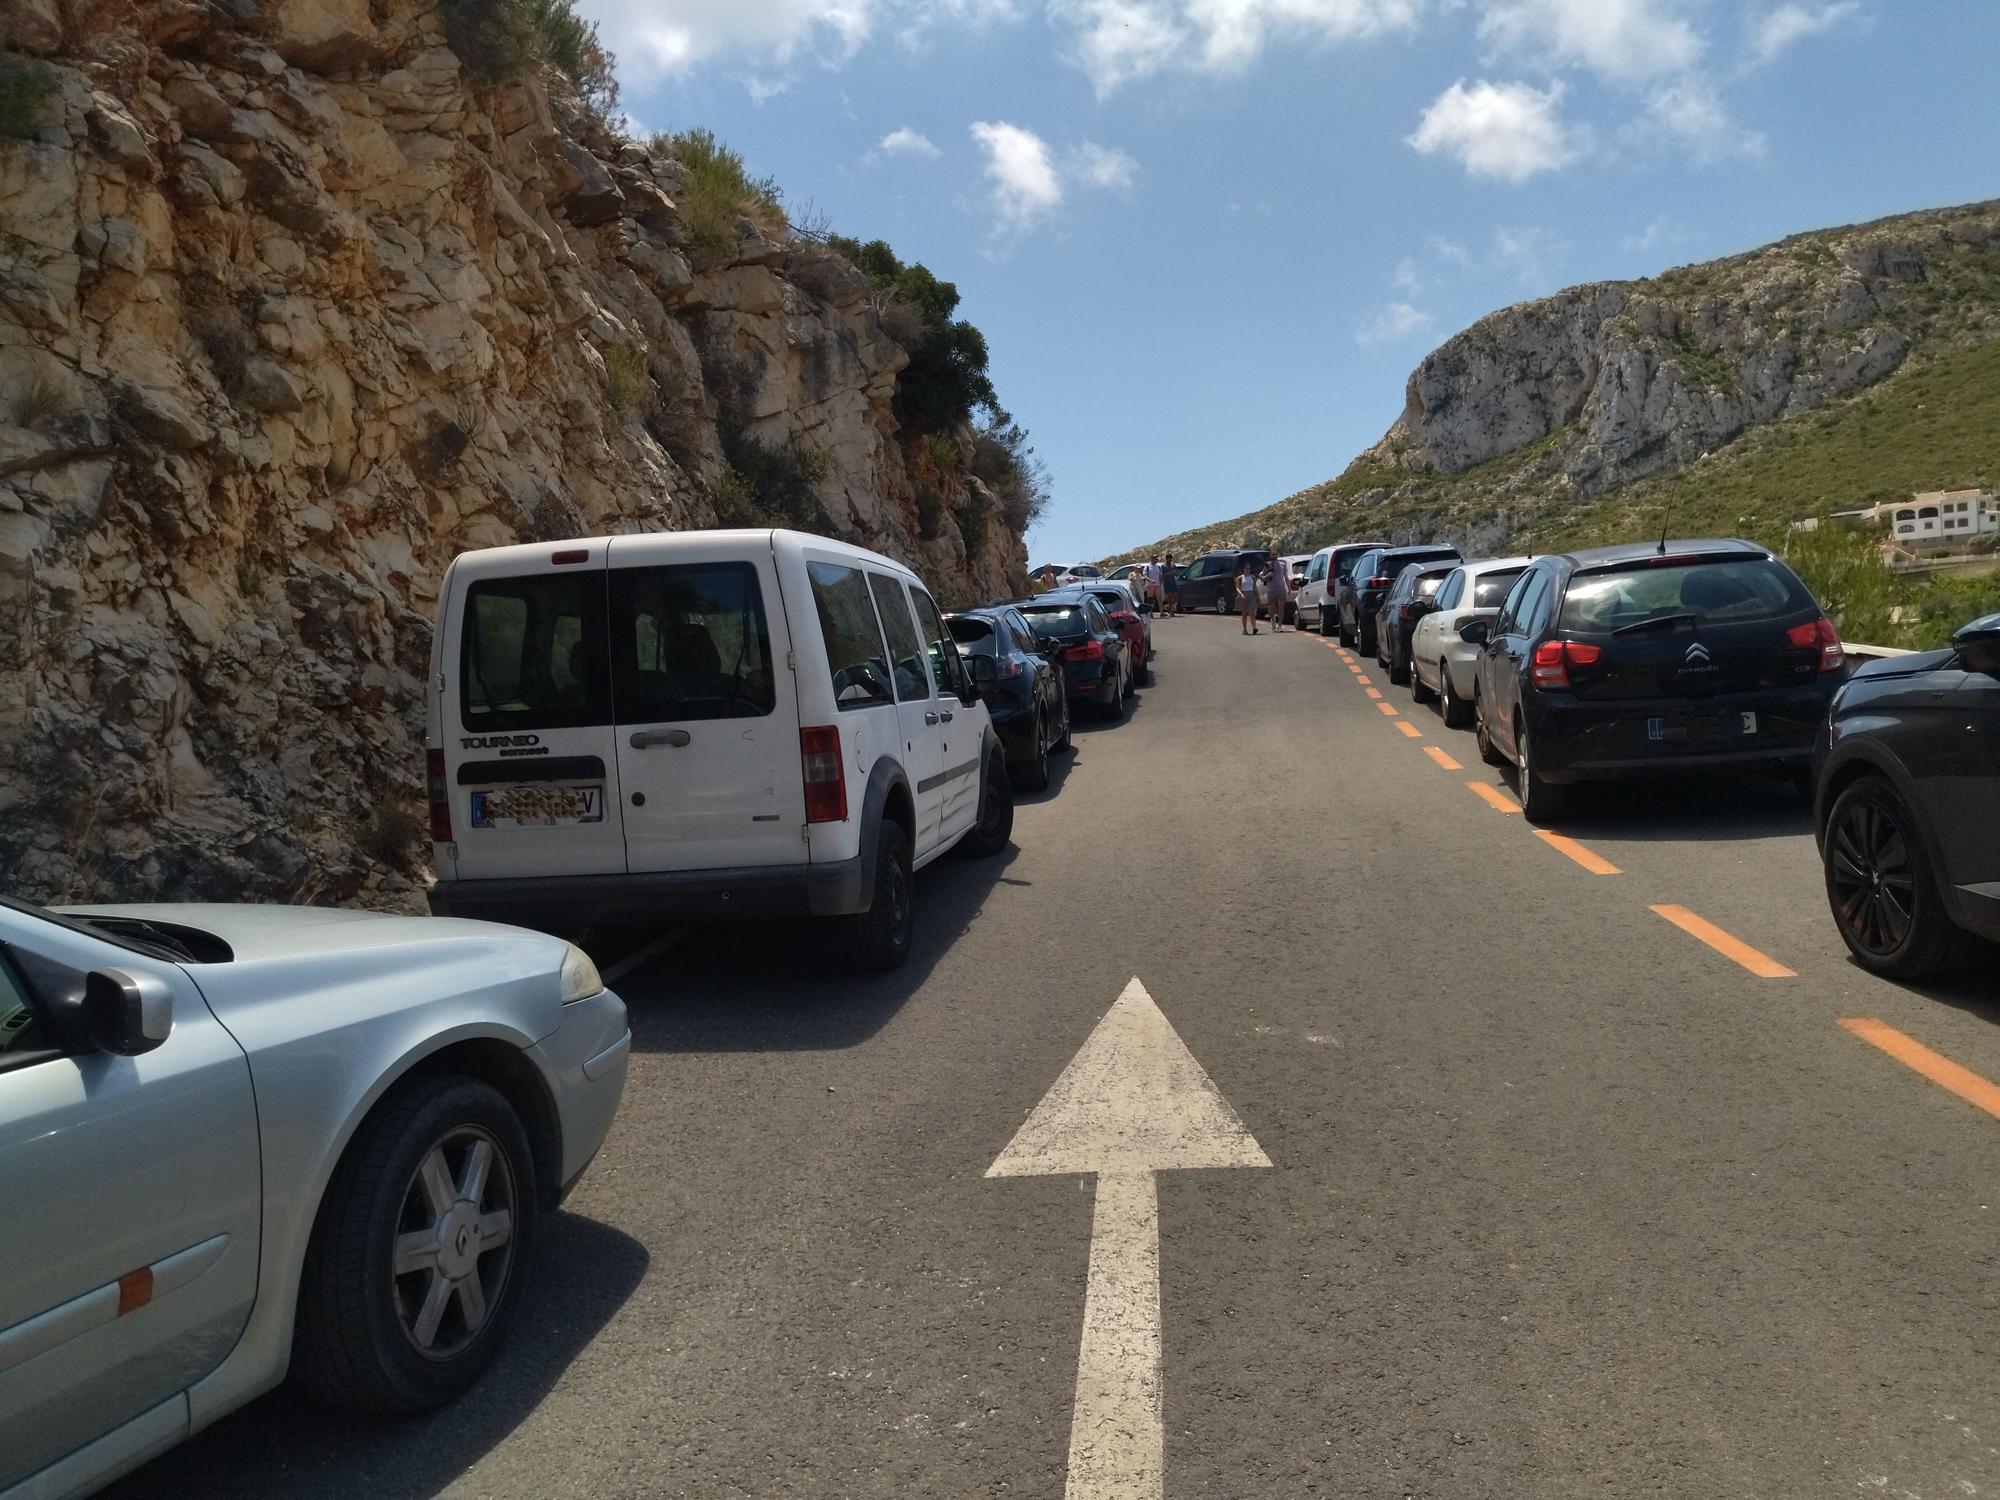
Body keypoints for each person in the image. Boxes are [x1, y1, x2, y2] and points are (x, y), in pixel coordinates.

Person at [1262, 555, 1289, 633]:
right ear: (1270, 556)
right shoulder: (1267, 565)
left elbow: (1286, 577)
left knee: (1281, 608)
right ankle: (1273, 620)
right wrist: (1268, 575)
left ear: (1277, 555)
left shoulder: (1283, 565)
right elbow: (1262, 578)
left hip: (1281, 589)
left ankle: (1280, 625)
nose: (1274, 556)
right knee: (1272, 609)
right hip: (1271, 590)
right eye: (1272, 554)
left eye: (1275, 554)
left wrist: (1289, 589)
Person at [1236, 559, 1260, 635]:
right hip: (1243, 595)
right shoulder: (1240, 578)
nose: (1248, 570)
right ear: (1244, 569)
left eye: (1249, 569)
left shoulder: (1252, 577)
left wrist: (1258, 598)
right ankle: (1245, 629)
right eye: (1246, 568)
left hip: (1251, 595)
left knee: (1252, 612)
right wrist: (1241, 594)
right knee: (1244, 613)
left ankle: (1254, 628)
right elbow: (1237, 587)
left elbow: (1255, 587)